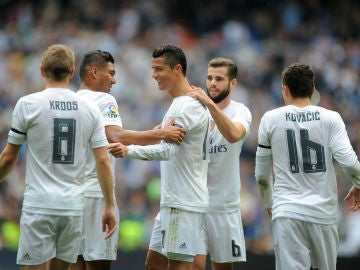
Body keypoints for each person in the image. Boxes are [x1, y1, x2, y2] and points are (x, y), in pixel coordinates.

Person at [0, 44, 117, 270]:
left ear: (42, 70)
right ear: (72, 72)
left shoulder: (27, 104)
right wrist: (110, 206)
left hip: (39, 206)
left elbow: (8, 158)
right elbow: (103, 161)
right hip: (73, 208)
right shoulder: (89, 108)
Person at [71, 50, 186, 270]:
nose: (114, 80)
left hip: (70, 196)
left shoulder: (69, 102)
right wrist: (161, 134)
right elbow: (114, 136)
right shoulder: (104, 99)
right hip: (95, 195)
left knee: (74, 263)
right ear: (94, 72)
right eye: (111, 73)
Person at [108, 45, 210, 270]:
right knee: (155, 262)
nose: (154, 75)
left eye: (159, 69)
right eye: (153, 69)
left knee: (181, 266)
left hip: (182, 201)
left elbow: (167, 151)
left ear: (177, 69)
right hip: (183, 199)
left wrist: (129, 150)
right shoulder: (187, 104)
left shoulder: (182, 107)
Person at [255, 62, 360, 270]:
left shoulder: (270, 119)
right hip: (323, 214)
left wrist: (270, 203)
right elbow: (348, 161)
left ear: (284, 90)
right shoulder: (331, 118)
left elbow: (261, 174)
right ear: (313, 90)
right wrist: (359, 183)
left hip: (287, 212)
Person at [189, 57, 252, 270]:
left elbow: (234, 134)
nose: (212, 83)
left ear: (232, 83)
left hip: (225, 207)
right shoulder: (195, 110)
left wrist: (209, 105)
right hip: (196, 203)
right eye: (209, 78)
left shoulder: (241, 111)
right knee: (195, 266)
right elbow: (163, 131)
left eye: (219, 79)